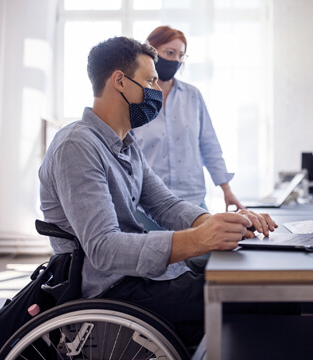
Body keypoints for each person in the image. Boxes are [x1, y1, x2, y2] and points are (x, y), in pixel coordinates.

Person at [38, 36, 278, 347]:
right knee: (263, 296)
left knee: (253, 280)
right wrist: (198, 239)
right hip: (112, 289)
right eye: (150, 80)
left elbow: (164, 205)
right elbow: (103, 249)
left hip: (141, 278)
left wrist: (218, 222)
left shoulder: (126, 144)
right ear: (120, 82)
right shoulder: (77, 146)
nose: (157, 90)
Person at [132, 26, 243, 231]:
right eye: (169, 53)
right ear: (151, 51)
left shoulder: (192, 96)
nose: (175, 60)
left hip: (192, 200)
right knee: (157, 259)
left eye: (181, 55)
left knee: (202, 258)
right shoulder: (135, 97)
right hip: (147, 205)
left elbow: (209, 145)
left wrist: (227, 190)